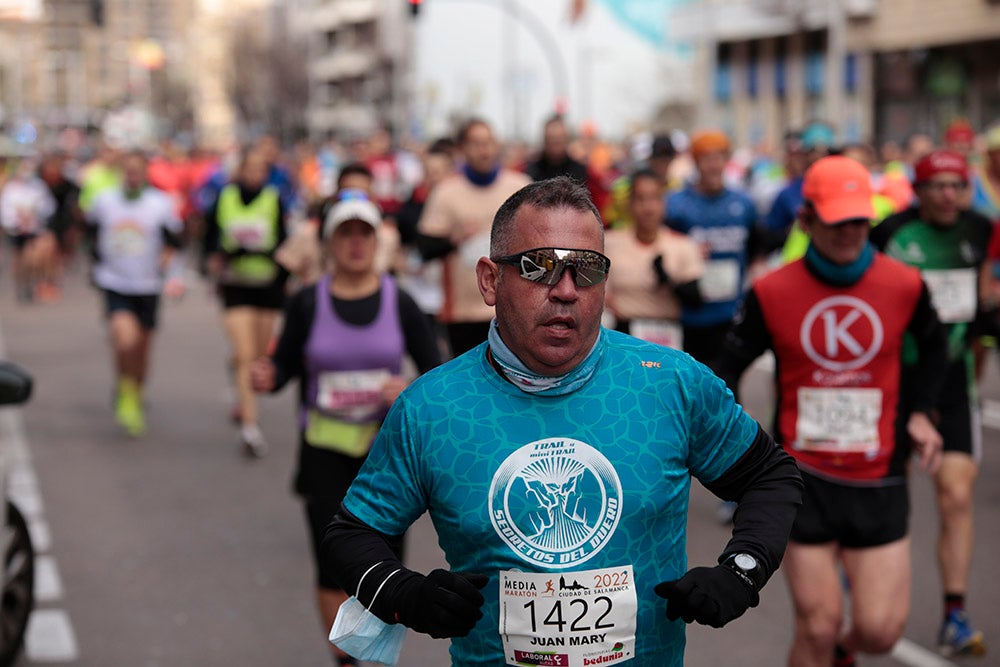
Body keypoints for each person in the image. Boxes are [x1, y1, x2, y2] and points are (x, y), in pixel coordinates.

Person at [321, 176, 802, 667]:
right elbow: (351, 533)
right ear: (490, 280)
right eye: (539, 268)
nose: (566, 290)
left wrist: (742, 569)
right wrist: (405, 594)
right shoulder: (432, 407)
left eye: (586, 269)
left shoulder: (671, 384)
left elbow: (770, 476)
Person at [712, 156, 948, 667]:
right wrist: (738, 447)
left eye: (859, 219)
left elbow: (934, 350)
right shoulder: (772, 292)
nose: (850, 231)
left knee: (879, 631)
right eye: (836, 219)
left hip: (879, 475)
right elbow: (726, 368)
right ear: (806, 219)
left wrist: (923, 411)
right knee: (818, 626)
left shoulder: (904, 285)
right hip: (801, 479)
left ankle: (843, 650)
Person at [250, 196, 441, 666]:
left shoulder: (400, 300)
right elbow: (283, 366)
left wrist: (408, 389)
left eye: (364, 233)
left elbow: (438, 379)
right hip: (324, 451)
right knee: (331, 567)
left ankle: (374, 658)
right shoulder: (308, 302)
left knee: (384, 568)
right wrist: (268, 376)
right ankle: (349, 661)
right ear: (329, 243)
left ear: (376, 242)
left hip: (385, 459)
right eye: (345, 233)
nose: (356, 243)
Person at [871, 150, 991, 658]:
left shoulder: (982, 231)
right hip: (897, 380)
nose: (948, 194)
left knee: (957, 495)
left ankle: (955, 614)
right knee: (888, 498)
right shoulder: (889, 233)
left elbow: (983, 298)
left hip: (952, 380)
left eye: (956, 185)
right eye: (936, 185)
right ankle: (866, 590)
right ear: (917, 191)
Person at [85, 150, 185, 436]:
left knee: (141, 349)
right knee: (123, 339)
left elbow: (174, 240)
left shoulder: (160, 204)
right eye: (127, 170)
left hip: (148, 285)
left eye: (137, 170)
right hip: (115, 282)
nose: (132, 175)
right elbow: (88, 231)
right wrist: (95, 262)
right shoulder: (105, 201)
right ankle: (126, 392)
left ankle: (134, 392)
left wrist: (167, 263)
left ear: (145, 173)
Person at [416, 118, 531, 357]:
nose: (484, 150)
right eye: (476, 143)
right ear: (462, 149)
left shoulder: (520, 187)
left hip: (512, 309)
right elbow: (424, 248)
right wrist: (453, 240)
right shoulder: (446, 192)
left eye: (488, 142)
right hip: (461, 312)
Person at [204, 149, 289, 457]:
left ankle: (243, 393)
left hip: (267, 287)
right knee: (245, 355)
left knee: (258, 357)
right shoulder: (224, 198)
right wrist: (216, 257)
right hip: (234, 285)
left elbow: (283, 239)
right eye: (249, 169)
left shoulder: (273, 199)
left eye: (260, 170)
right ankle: (251, 429)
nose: (254, 175)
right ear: (240, 170)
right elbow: (209, 237)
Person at [666, 129, 763, 365]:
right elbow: (662, 247)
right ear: (695, 162)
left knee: (726, 384)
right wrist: (686, 255)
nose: (713, 165)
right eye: (706, 158)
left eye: (719, 157)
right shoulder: (676, 204)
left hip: (730, 312)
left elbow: (755, 247)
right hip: (690, 314)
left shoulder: (743, 203)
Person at [604, 168, 704, 349]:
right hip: (623, 336)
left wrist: (667, 280)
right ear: (630, 203)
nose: (648, 207)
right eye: (640, 199)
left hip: (669, 336)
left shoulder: (683, 245)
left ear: (664, 202)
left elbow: (695, 301)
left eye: (654, 198)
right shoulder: (609, 242)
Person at [0, 157, 57, 303]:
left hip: (34, 229)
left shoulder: (39, 186)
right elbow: (5, 209)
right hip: (16, 230)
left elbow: (48, 207)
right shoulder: (11, 188)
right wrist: (15, 221)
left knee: (32, 258)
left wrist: (33, 216)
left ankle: (31, 282)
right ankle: (21, 285)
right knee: (18, 259)